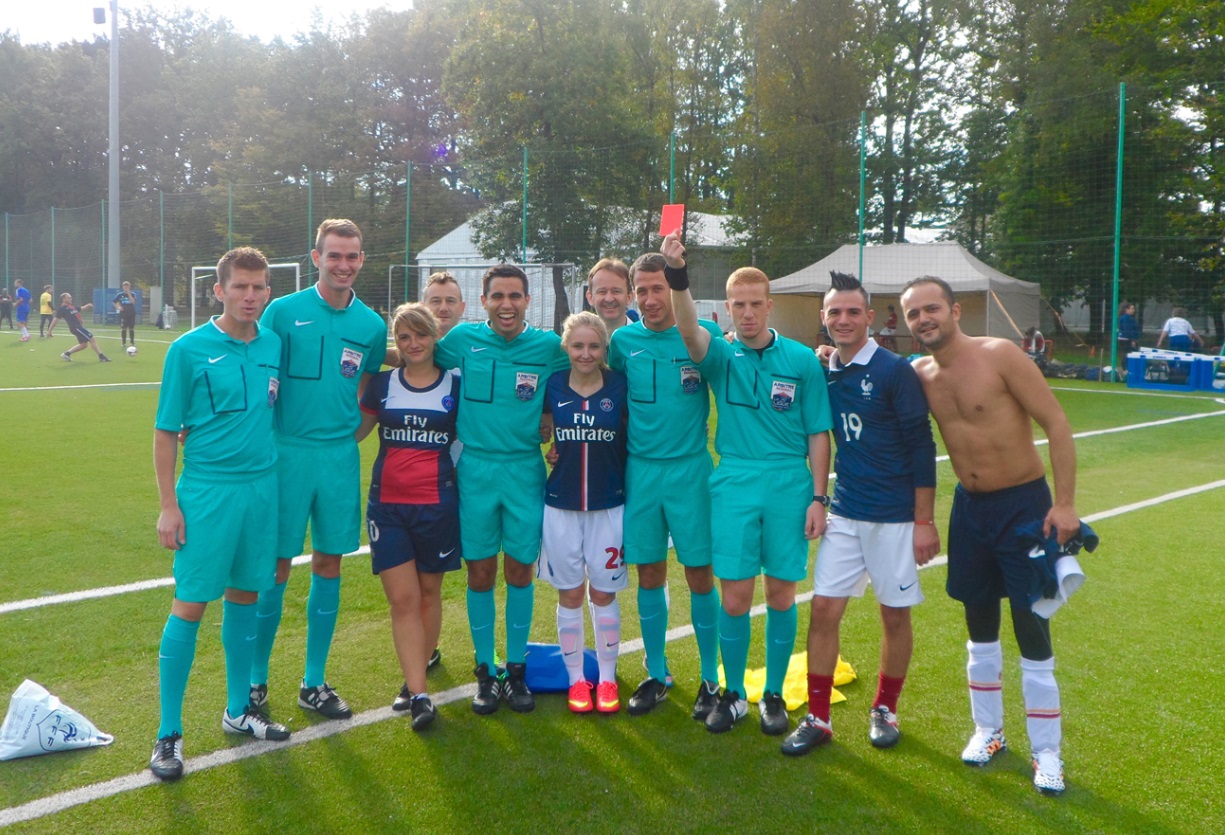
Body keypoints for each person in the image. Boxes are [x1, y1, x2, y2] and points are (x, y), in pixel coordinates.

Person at [900, 275, 1080, 796]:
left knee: (1031, 627)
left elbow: (1056, 423)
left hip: (1025, 509)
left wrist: (1065, 504)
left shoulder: (1000, 354)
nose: (923, 319)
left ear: (955, 311)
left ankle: (1047, 751)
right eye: (913, 314)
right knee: (979, 625)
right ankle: (989, 730)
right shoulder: (918, 374)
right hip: (971, 511)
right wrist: (827, 355)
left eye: (931, 308)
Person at [667, 232, 834, 737]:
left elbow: (818, 433)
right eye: (738, 304)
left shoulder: (801, 360)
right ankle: (734, 692)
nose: (747, 313)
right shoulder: (719, 355)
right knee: (735, 597)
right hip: (735, 481)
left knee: (781, 594)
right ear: (728, 308)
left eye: (755, 304)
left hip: (789, 483)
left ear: (769, 305)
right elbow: (688, 328)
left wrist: (819, 497)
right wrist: (677, 276)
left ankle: (774, 693)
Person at [782, 272, 938, 756]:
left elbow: (922, 446)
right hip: (846, 512)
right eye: (835, 312)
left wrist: (924, 521)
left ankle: (885, 708)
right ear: (823, 318)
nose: (844, 320)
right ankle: (818, 717)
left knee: (893, 615)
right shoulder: (825, 370)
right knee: (824, 610)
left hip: (894, 517)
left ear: (869, 317)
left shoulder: (894, 371)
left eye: (853, 312)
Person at [149, 247, 289, 782]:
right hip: (207, 492)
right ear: (219, 290)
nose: (250, 296)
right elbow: (166, 431)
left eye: (258, 287)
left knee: (246, 597)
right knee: (190, 605)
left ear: (268, 292)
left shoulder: (273, 344)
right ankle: (168, 733)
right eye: (240, 287)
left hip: (262, 490)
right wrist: (169, 505)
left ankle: (237, 710)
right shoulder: (187, 349)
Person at [252, 218, 390, 722]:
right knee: (276, 567)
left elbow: (365, 391)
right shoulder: (282, 312)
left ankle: (313, 681)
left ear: (361, 260)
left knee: (330, 563)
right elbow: (258, 375)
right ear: (316, 258)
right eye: (334, 255)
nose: (343, 265)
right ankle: (255, 680)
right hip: (285, 454)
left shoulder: (371, 326)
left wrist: (345, 440)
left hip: (337, 459)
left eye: (352, 256)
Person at [433, 264, 569, 715]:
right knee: (480, 572)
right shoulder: (461, 340)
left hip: (524, 470)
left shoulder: (549, 347)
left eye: (514, 296)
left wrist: (552, 417)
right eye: (498, 296)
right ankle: (485, 670)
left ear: (528, 301)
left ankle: (515, 668)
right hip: (474, 469)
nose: (506, 305)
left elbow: (578, 381)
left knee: (519, 571)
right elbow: (420, 358)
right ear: (484, 301)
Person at [607, 252, 724, 721]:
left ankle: (710, 678)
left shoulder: (702, 336)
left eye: (659, 288)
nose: (651, 299)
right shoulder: (623, 341)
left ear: (674, 290)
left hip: (690, 472)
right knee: (650, 573)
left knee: (700, 575)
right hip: (641, 473)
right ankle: (656, 673)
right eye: (642, 290)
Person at [355, 303, 461, 731]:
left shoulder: (456, 384)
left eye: (420, 334)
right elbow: (354, 432)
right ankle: (419, 695)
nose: (413, 343)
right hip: (388, 507)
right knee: (403, 600)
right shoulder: (382, 385)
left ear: (435, 336)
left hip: (437, 505)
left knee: (429, 594)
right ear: (395, 344)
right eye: (404, 337)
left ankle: (416, 675)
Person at [540, 311, 630, 714]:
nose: (586, 353)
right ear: (566, 347)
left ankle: (607, 679)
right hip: (561, 505)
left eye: (594, 346)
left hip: (609, 504)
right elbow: (541, 427)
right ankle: (577, 679)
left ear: (604, 348)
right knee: (571, 592)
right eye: (578, 346)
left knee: (604, 592)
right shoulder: (553, 385)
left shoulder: (620, 386)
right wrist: (549, 442)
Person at [49, 293, 111, 362]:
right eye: (69, 298)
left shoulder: (72, 307)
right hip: (76, 328)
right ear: (63, 299)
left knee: (84, 345)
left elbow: (82, 308)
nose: (71, 299)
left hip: (78, 327)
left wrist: (87, 306)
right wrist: (49, 331)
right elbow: (55, 319)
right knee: (92, 339)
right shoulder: (62, 309)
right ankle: (101, 357)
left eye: (71, 297)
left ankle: (66, 354)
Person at [586, 258, 635, 337]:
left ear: (629, 297)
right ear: (590, 297)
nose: (609, 299)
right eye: (602, 291)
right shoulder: (578, 341)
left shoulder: (643, 341)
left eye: (616, 291)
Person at [422, 271, 467, 335]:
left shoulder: (473, 341)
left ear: (462, 308)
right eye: (436, 301)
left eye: (450, 301)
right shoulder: (411, 341)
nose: (443, 308)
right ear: (423, 308)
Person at [113, 280, 138, 347]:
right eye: (125, 286)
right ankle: (123, 342)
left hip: (131, 312)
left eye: (127, 286)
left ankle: (132, 342)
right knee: (123, 327)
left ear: (129, 287)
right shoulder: (120, 295)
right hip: (124, 313)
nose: (126, 287)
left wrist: (129, 293)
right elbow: (114, 302)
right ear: (123, 287)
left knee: (131, 328)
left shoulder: (133, 294)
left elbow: (133, 302)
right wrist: (118, 307)